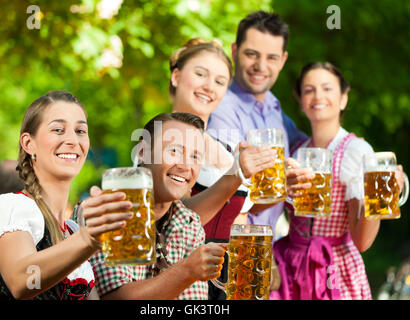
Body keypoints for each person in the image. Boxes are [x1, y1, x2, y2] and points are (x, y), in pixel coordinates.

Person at [0, 90, 133, 300]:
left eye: (80, 131)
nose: (72, 140)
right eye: (58, 129)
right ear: (28, 144)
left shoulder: (73, 231)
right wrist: (89, 239)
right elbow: (23, 282)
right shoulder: (9, 207)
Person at [271, 61, 406, 300]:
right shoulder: (296, 150)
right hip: (291, 265)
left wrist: (379, 198)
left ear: (343, 99)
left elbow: (362, 241)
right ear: (301, 101)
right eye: (309, 90)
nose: (317, 95)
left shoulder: (356, 151)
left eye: (327, 88)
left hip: (334, 267)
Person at [168, 38, 278, 299]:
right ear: (175, 76)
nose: (209, 86)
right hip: (182, 282)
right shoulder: (158, 140)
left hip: (230, 287)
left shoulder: (227, 151)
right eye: (200, 74)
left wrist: (287, 189)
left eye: (219, 81)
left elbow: (238, 223)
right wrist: (235, 175)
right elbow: (179, 223)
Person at [90, 112, 228, 300]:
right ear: (142, 151)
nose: (186, 166)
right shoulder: (111, 209)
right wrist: (187, 269)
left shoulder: (189, 222)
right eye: (174, 151)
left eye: (195, 157)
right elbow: (117, 298)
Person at [207, 10, 307, 232]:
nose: (261, 66)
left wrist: (350, 148)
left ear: (283, 60)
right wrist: (284, 186)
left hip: (266, 247)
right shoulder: (222, 108)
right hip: (232, 249)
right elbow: (232, 196)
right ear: (234, 51)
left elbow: (311, 146)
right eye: (252, 54)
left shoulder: (273, 107)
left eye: (271, 57)